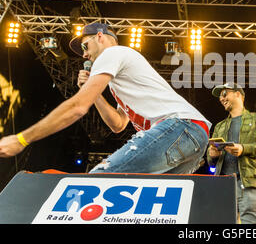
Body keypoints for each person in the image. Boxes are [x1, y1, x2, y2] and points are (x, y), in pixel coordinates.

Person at [0, 22, 211, 175]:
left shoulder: (112, 54)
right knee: (149, 203)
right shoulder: (119, 75)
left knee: (99, 183)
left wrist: (22, 139)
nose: (84, 55)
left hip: (179, 127)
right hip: (193, 135)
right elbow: (118, 125)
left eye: (85, 46)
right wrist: (96, 94)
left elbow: (77, 107)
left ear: (100, 36)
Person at [207, 82, 256, 224]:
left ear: (238, 94)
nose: (221, 98)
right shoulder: (219, 126)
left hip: (250, 185)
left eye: (224, 93)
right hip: (224, 186)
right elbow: (211, 160)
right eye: (220, 96)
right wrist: (212, 155)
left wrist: (243, 148)